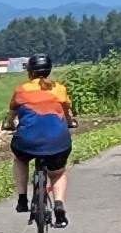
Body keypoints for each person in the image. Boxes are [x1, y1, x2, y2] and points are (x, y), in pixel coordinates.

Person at [9, 53, 75, 223]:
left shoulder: (21, 90)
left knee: (19, 159)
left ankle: (22, 199)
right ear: (49, 70)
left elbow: (11, 116)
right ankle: (59, 205)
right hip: (57, 142)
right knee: (57, 173)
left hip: (26, 142)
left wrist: (9, 124)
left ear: (29, 72)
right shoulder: (59, 89)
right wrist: (70, 123)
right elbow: (67, 114)